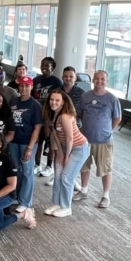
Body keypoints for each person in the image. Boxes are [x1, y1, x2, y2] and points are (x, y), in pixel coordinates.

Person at [75, 70, 121, 209]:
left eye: (102, 79)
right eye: (96, 78)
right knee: (84, 166)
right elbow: (80, 114)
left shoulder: (112, 99)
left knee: (105, 168)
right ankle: (83, 190)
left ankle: (105, 196)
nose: (99, 81)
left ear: (106, 81)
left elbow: (117, 118)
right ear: (93, 80)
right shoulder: (85, 96)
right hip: (86, 139)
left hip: (104, 140)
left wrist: (107, 130)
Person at [42, 90, 90, 218]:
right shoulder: (54, 115)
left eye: (57, 100)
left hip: (79, 148)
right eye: (52, 99)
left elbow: (70, 138)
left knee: (66, 177)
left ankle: (66, 207)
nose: (53, 102)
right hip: (64, 148)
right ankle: (56, 203)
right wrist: (61, 153)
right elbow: (56, 136)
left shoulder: (64, 116)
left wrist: (67, 156)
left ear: (63, 102)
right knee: (57, 176)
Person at [9, 76, 43, 215]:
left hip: (26, 142)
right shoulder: (13, 102)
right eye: (21, 85)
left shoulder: (35, 105)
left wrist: (30, 147)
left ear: (31, 87)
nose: (23, 88)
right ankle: (18, 196)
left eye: (26, 86)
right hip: (14, 141)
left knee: (27, 171)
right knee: (17, 170)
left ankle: (25, 202)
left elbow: (37, 128)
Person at [32, 57, 62, 177]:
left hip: (51, 117)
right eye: (42, 64)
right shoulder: (36, 80)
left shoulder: (57, 82)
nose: (44, 67)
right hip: (38, 116)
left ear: (53, 68)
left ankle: (49, 166)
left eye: (47, 65)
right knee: (38, 141)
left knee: (50, 143)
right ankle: (37, 164)